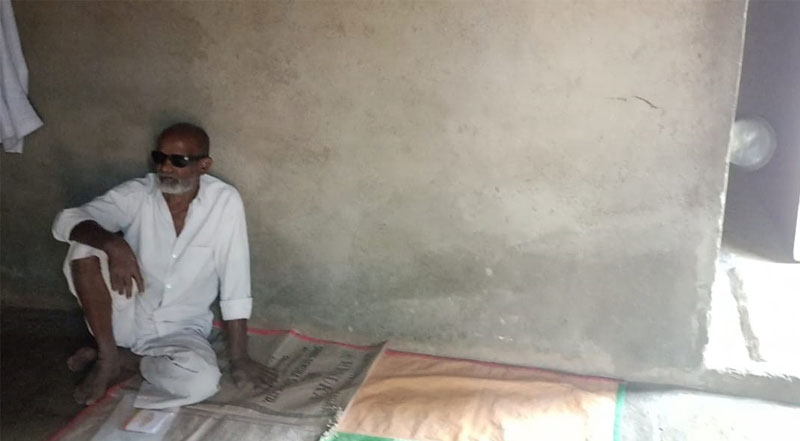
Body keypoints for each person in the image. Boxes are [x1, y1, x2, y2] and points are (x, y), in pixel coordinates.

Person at [52, 122, 276, 409]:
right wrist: (113, 244)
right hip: (124, 317)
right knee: (84, 246)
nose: (165, 168)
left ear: (204, 166)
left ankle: (126, 360)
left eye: (178, 160)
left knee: (201, 382)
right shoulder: (139, 194)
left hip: (181, 329)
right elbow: (65, 220)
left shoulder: (224, 202)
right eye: (160, 158)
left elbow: (236, 278)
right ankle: (107, 357)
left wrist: (240, 358)